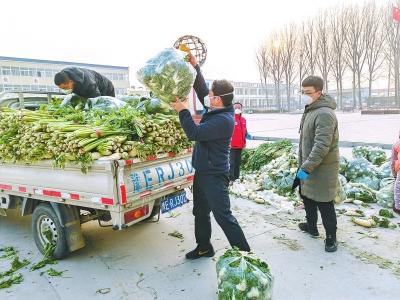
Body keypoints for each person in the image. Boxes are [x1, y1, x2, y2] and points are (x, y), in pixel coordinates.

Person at [171, 53, 250, 259]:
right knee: (200, 212)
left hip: (215, 175)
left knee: (223, 216)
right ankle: (204, 246)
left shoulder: (223, 119)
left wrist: (183, 111)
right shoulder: (217, 108)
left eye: (212, 94)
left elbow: (194, 133)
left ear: (218, 99)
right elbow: (202, 89)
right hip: (203, 172)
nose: (208, 96)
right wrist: (196, 67)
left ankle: (247, 256)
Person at [296, 75, 339, 253]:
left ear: (319, 92)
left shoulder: (324, 114)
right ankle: (311, 226)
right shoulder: (312, 109)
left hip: (323, 168)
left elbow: (321, 146)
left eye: (308, 92)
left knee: (324, 201)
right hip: (309, 163)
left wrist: (306, 168)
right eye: (302, 92)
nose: (304, 95)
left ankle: (331, 237)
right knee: (307, 196)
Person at [229, 102, 252, 182]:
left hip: (240, 145)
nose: (237, 109)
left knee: (237, 162)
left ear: (242, 109)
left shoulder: (243, 120)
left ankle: (236, 178)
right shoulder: (230, 119)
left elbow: (244, 131)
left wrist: (247, 135)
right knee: (231, 163)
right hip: (231, 145)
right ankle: (231, 179)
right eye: (236, 107)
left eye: (239, 108)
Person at [390, 133, 400, 214]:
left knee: (398, 188)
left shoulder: (397, 144)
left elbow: (393, 162)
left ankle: (398, 207)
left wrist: (394, 175)